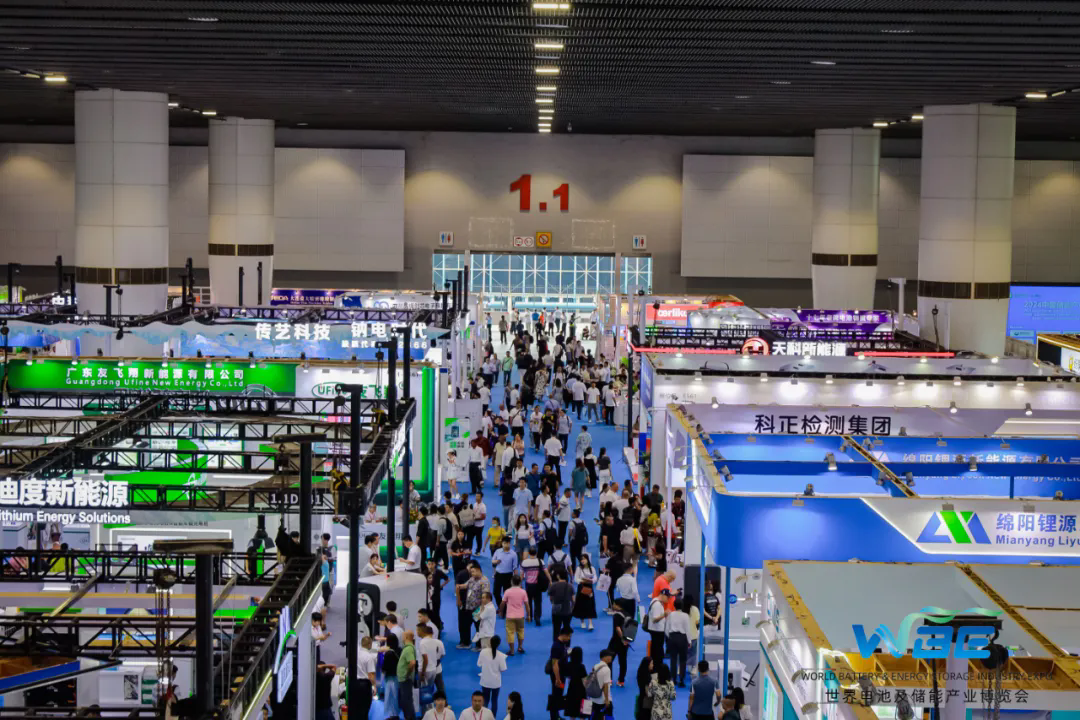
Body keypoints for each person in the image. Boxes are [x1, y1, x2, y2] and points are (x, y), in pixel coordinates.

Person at [478, 635, 508, 715]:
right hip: (496, 683)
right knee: (494, 700)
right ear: (499, 644)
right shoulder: (501, 656)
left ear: (490, 642)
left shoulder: (483, 652)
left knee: (485, 700)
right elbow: (503, 669)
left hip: (485, 681)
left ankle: (483, 716)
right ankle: (493, 717)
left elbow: (479, 664)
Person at [502, 573, 530, 655]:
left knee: (510, 632)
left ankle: (511, 650)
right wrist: (528, 615)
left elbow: (503, 603)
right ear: (520, 582)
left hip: (510, 616)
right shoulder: (523, 592)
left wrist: (500, 611)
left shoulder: (507, 591)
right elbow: (527, 605)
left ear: (511, 582)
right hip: (520, 616)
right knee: (520, 631)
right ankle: (520, 647)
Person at [548, 627, 572, 720]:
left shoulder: (562, 644)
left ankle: (556, 715)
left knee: (559, 695)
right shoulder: (556, 646)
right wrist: (557, 679)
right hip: (558, 676)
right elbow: (555, 664)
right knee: (556, 695)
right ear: (564, 635)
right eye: (569, 636)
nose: (569, 639)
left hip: (561, 675)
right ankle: (554, 717)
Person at [666, 597, 691, 687]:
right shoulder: (685, 616)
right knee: (683, 660)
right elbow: (687, 630)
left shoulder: (670, 615)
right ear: (682, 606)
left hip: (672, 637)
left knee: (673, 659)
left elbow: (667, 629)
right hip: (682, 638)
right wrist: (689, 641)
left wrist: (670, 637)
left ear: (674, 606)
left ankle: (673, 679)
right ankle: (681, 680)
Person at [522, 546, 547, 626]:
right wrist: (550, 580)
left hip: (528, 585)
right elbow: (546, 572)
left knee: (528, 601)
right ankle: (537, 618)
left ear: (529, 553)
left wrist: (519, 584)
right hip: (537, 585)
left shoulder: (524, 562)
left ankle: (529, 616)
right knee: (538, 602)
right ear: (536, 553)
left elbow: (522, 575)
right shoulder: (541, 561)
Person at [548, 565, 574, 640]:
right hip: (567, 610)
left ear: (558, 576)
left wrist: (554, 603)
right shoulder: (570, 586)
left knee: (556, 629)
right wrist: (571, 608)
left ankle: (556, 644)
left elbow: (551, 598)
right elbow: (573, 600)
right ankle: (567, 645)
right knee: (567, 629)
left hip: (556, 611)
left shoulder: (553, 586)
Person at [587, 649, 615, 720]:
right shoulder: (607, 669)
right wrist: (607, 700)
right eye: (609, 656)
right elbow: (605, 686)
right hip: (602, 699)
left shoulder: (595, 666)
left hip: (593, 698)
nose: (611, 657)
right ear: (604, 657)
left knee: (594, 715)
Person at [572, 555, 598, 631]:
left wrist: (592, 581)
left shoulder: (592, 568)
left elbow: (595, 577)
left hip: (589, 587)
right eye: (581, 559)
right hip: (581, 587)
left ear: (587, 559)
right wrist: (582, 581)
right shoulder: (579, 568)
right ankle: (582, 621)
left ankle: (590, 623)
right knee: (581, 604)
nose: (583, 561)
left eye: (584, 559)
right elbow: (575, 578)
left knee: (590, 604)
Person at [608, 603, 631, 688]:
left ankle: (609, 680)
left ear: (618, 605)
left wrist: (622, 639)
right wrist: (627, 640)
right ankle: (621, 681)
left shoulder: (617, 615)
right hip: (625, 643)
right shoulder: (628, 615)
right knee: (623, 661)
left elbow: (617, 629)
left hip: (615, 641)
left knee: (609, 659)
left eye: (614, 604)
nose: (613, 605)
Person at [398, 630, 419, 720]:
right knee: (406, 699)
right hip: (405, 679)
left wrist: (407, 674)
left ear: (406, 637)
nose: (402, 638)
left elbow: (412, 662)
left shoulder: (408, 649)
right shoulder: (409, 648)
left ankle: (410, 717)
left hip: (405, 679)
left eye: (403, 636)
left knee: (407, 700)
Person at [491, 537, 519, 606]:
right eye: (504, 543)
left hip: (508, 576)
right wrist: (496, 561)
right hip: (498, 575)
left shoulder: (513, 554)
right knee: (496, 592)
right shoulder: (498, 551)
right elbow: (492, 561)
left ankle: (505, 609)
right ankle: (501, 607)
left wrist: (517, 580)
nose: (506, 545)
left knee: (507, 594)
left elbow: (515, 568)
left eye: (507, 543)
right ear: (502, 543)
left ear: (510, 544)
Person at [562, 646, 588, 718]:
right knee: (582, 712)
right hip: (581, 690)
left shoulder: (568, 665)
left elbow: (566, 675)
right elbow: (585, 680)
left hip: (572, 689)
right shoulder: (581, 666)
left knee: (572, 710)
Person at [646, 589, 671, 664]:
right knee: (657, 652)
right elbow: (655, 619)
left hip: (656, 630)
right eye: (667, 597)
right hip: (657, 631)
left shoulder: (656, 601)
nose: (668, 599)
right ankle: (656, 666)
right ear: (663, 595)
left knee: (656, 651)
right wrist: (664, 614)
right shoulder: (657, 605)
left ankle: (655, 665)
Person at [357, 636, 378, 720]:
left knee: (357, 708)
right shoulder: (369, 657)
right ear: (369, 644)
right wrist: (374, 687)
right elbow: (371, 675)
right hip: (364, 685)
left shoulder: (356, 654)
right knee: (365, 708)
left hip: (354, 683)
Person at [381, 633, 401, 720]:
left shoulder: (388, 653)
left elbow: (385, 667)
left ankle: (393, 715)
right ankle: (395, 714)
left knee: (391, 696)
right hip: (398, 676)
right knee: (396, 696)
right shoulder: (399, 650)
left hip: (390, 677)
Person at [635, 656, 656, 720]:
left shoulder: (642, 672)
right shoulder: (646, 677)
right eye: (651, 663)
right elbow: (648, 691)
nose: (653, 665)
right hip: (646, 702)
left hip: (642, 700)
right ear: (647, 664)